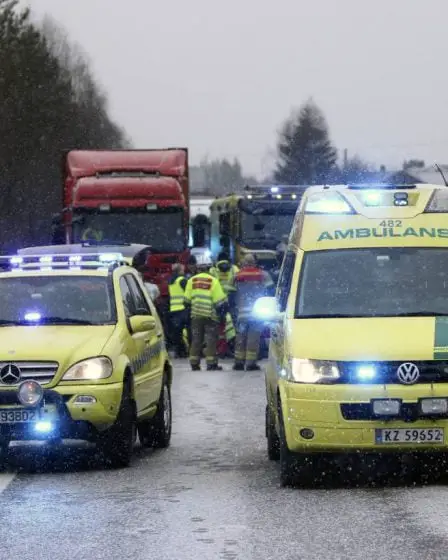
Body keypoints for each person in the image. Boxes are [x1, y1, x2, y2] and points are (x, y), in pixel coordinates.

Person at [184, 258, 228, 371]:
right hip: (210, 315)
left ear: (198, 268)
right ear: (209, 268)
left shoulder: (191, 281)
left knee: (196, 339)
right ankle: (211, 363)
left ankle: (194, 363)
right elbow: (220, 301)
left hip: (196, 315)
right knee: (211, 340)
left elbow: (186, 301)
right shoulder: (213, 281)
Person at [233, 253, 275, 371]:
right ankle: (251, 363)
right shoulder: (263, 275)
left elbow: (231, 293)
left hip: (241, 313)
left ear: (244, 263)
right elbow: (271, 290)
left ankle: (238, 363)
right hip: (256, 314)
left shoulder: (237, 275)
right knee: (253, 338)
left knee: (240, 338)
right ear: (254, 262)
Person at [168, 263, 188, 358]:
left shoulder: (171, 281)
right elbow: (189, 292)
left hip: (173, 309)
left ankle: (180, 351)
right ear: (180, 271)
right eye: (183, 270)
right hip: (182, 309)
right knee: (188, 331)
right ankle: (186, 350)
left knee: (177, 333)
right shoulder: (182, 280)